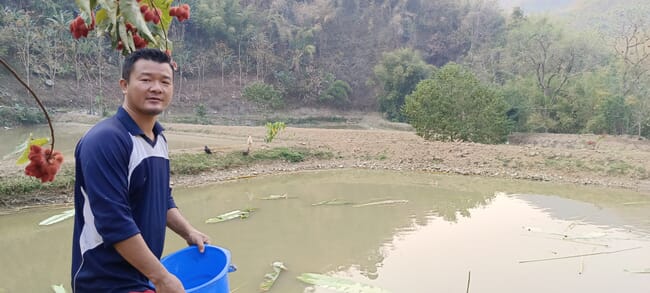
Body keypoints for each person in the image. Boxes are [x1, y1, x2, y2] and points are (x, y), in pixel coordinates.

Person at [71, 48, 211, 293]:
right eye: (146, 80)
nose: (156, 88)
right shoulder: (106, 140)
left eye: (165, 81)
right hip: (106, 281)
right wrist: (162, 278)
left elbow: (161, 199)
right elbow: (115, 222)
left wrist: (188, 231)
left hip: (141, 275)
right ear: (124, 85)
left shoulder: (158, 139)